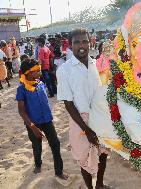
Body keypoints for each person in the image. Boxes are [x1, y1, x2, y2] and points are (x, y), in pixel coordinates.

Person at [56, 28, 109, 189]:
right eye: (77, 42)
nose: (81, 45)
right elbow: (68, 104)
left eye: (84, 41)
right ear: (70, 45)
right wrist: (86, 129)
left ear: (89, 42)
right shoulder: (64, 70)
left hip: (99, 117)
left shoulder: (95, 64)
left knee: (103, 153)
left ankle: (99, 184)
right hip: (80, 121)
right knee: (84, 158)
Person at [16, 58, 69, 181]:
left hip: (47, 120)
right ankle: (38, 164)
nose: (40, 73)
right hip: (33, 123)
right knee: (37, 146)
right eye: (37, 71)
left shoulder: (40, 83)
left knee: (55, 144)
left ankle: (59, 171)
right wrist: (33, 127)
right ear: (28, 73)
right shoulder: (22, 88)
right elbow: (21, 111)